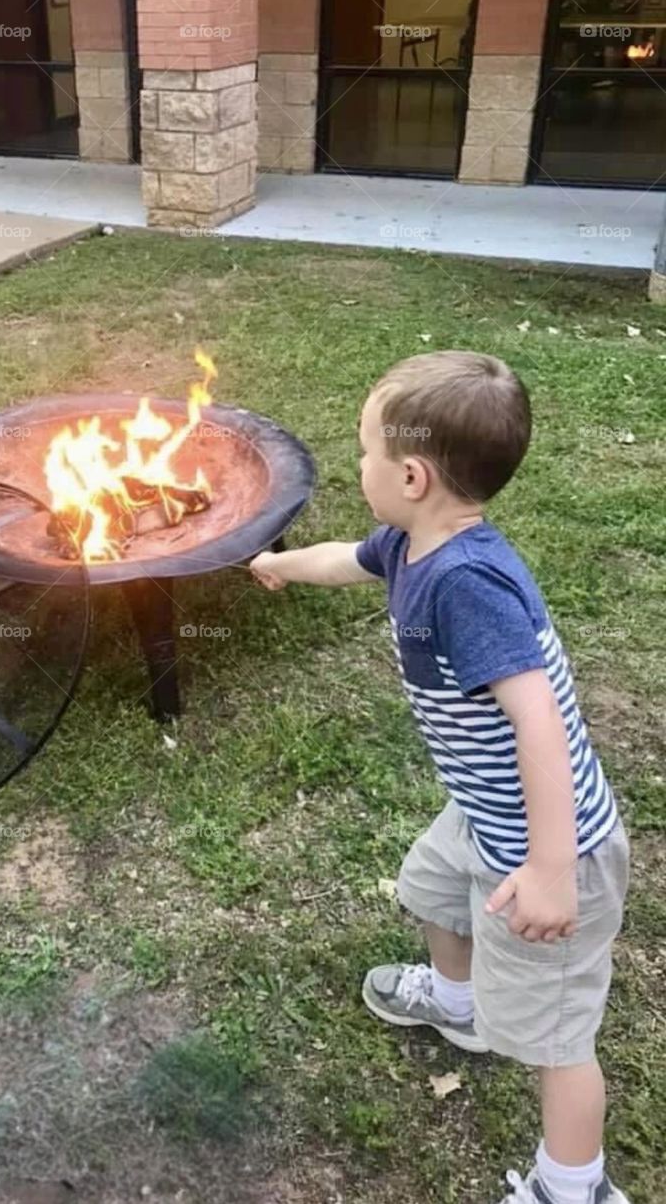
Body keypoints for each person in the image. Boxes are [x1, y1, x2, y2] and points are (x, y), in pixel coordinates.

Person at [250, 351, 630, 1204]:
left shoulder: (468, 584)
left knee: (556, 1036)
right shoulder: (410, 542)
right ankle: (458, 1002)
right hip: (482, 813)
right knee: (429, 888)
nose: (358, 466)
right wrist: (281, 565)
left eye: (363, 452)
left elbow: (537, 721)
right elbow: (351, 559)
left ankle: (574, 1188)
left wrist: (550, 870)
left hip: (549, 840)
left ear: (412, 474)